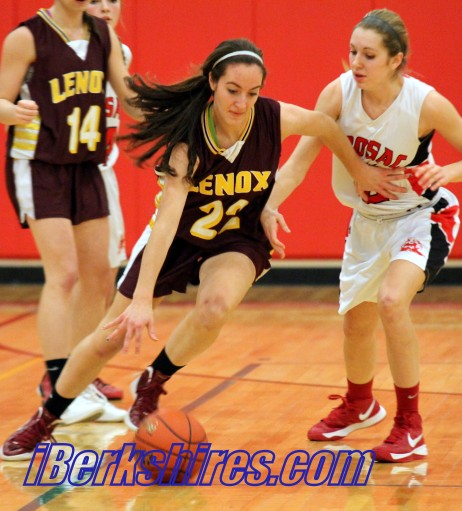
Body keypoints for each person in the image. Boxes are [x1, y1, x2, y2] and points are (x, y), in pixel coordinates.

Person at [1, 37, 402, 461]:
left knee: (215, 307)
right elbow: (166, 223)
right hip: (176, 237)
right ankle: (45, 419)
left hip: (237, 235)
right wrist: (142, 300)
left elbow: (324, 126)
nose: (242, 103)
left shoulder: (272, 118)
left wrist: (354, 172)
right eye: (233, 91)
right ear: (213, 82)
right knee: (109, 337)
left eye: (253, 93)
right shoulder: (188, 142)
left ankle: (154, 380)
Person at [260, 9, 462, 463]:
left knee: (390, 301)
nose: (356, 63)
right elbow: (298, 163)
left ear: (394, 59)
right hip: (367, 221)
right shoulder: (337, 94)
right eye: (352, 52)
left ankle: (410, 425)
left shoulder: (424, 103)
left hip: (421, 216)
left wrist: (447, 171)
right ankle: (360, 403)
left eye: (368, 55)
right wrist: (269, 205)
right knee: (356, 323)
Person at [0, 1, 141, 424]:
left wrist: (182, 109)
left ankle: (78, 384)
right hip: (39, 164)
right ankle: (57, 388)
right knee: (63, 274)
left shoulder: (103, 35)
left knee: (98, 276)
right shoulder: (27, 37)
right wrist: (12, 111)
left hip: (86, 165)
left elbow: (131, 101)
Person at [84, 0, 130, 401]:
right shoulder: (62, 52)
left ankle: (85, 368)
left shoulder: (121, 53)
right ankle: (62, 370)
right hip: (68, 175)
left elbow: (133, 105)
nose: (104, 7)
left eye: (112, 0)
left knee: (105, 276)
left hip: (103, 173)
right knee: (76, 278)